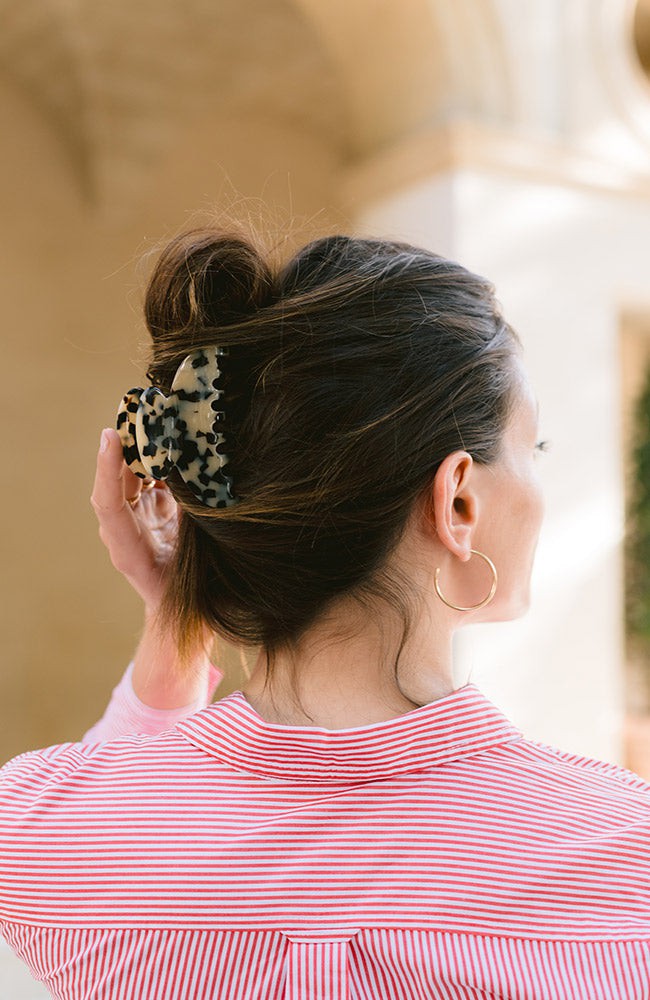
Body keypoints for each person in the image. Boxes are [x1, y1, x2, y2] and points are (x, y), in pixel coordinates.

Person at [1, 229, 649, 1000]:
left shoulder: (35, 830)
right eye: (531, 447)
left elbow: (105, 812)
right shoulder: (621, 856)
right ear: (459, 501)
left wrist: (175, 620)